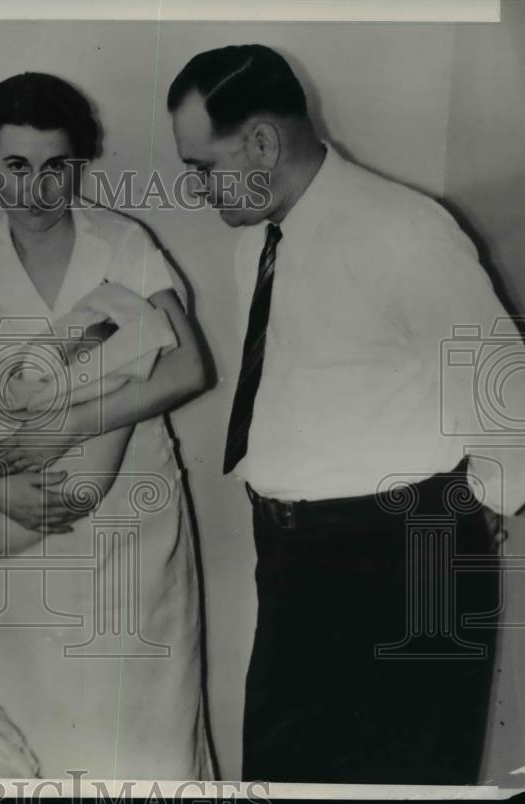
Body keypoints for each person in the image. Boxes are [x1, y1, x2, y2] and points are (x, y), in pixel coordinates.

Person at [167, 44, 525, 784]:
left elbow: (507, 395)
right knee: (285, 775)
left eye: (203, 165)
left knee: (406, 784)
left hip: (406, 556)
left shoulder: (405, 230)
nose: (198, 187)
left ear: (262, 142)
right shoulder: (257, 246)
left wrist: (462, 512)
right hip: (295, 561)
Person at [0, 72, 216, 779]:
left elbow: (191, 367)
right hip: (16, 539)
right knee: (36, 739)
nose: (37, 189)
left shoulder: (122, 245)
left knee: (148, 735)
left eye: (57, 168)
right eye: (16, 167)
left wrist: (71, 425)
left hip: (131, 535)